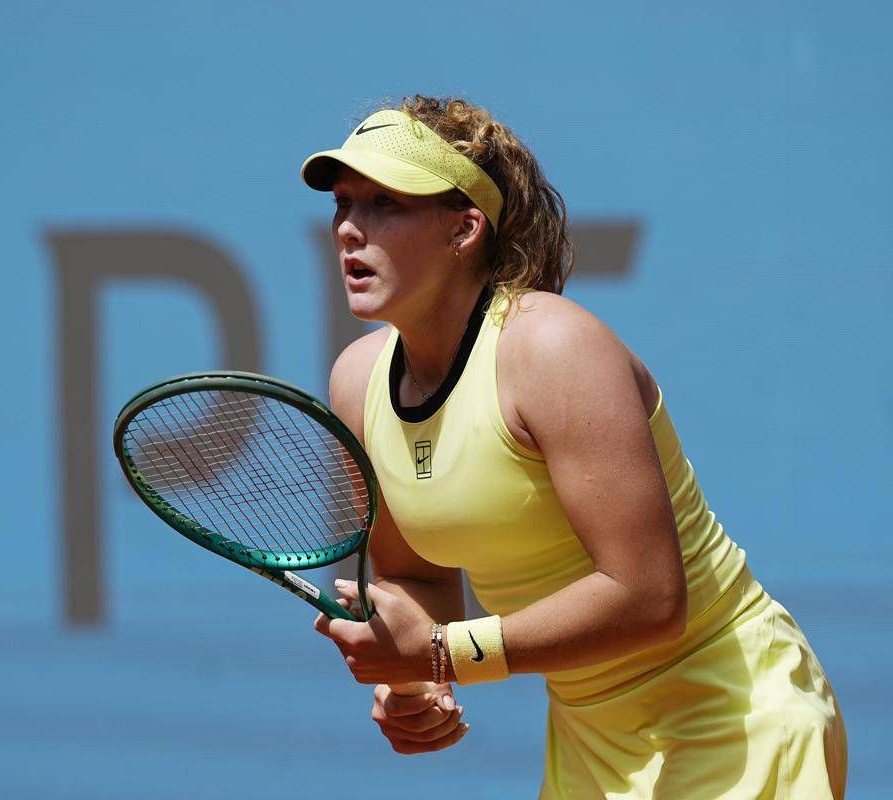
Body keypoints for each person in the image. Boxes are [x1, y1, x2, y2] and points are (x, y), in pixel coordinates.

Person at [304, 95, 847, 798]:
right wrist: (412, 685)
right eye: (344, 204)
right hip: (591, 740)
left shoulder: (554, 348)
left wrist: (443, 654)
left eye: (385, 204)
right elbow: (419, 580)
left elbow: (649, 599)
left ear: (464, 229)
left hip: (738, 717)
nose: (350, 229)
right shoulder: (357, 382)